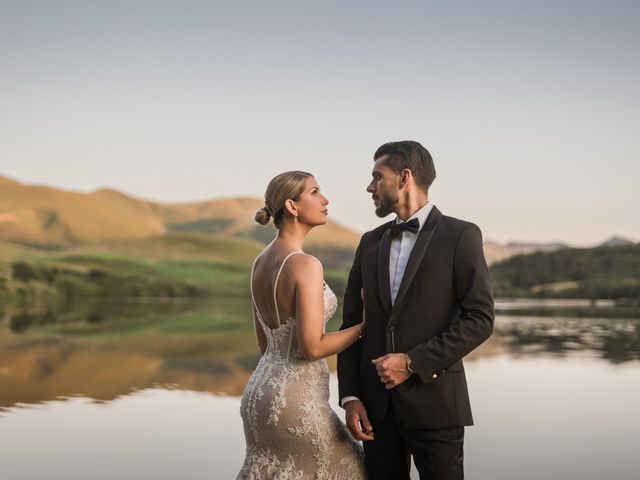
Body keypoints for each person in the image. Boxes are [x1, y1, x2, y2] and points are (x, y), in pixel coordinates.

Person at [337, 141, 494, 480]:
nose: (370, 187)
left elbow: (480, 320)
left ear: (404, 177)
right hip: (375, 413)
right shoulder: (369, 242)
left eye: (378, 177)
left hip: (436, 405)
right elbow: (351, 324)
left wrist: (411, 363)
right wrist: (350, 396)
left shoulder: (461, 236)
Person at [237, 171, 367, 480]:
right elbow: (312, 348)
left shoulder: (260, 261)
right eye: (315, 192)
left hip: (260, 393)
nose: (325, 200)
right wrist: (365, 326)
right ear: (293, 207)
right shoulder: (305, 264)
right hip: (296, 402)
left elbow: (264, 345)